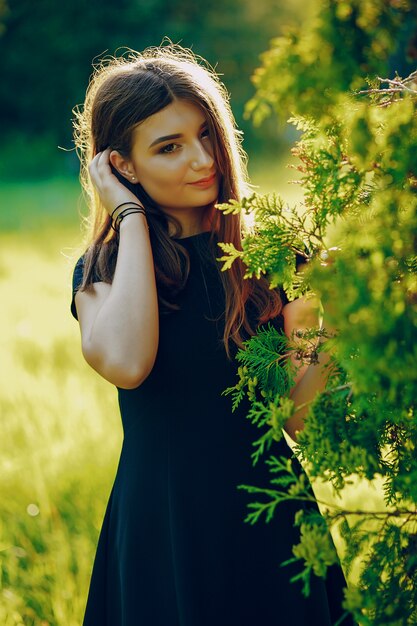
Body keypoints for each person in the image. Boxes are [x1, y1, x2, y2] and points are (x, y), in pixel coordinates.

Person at [71, 44, 350, 626]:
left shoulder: (275, 257)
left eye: (206, 135)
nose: (202, 159)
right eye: (168, 147)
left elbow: (297, 419)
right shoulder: (104, 269)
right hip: (161, 527)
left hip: (272, 524)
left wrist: (329, 315)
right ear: (121, 166)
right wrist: (128, 218)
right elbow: (126, 363)